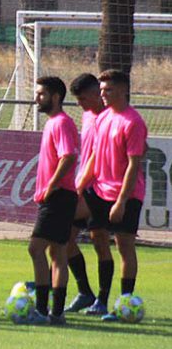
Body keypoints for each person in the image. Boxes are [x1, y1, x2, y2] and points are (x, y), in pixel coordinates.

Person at [77, 69, 147, 322]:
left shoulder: (133, 122)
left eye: (108, 90)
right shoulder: (104, 117)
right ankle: (100, 300)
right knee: (97, 240)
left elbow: (133, 165)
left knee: (124, 246)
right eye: (101, 90)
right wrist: (80, 184)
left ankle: (125, 302)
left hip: (126, 194)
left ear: (123, 90)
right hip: (99, 190)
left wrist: (121, 202)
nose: (103, 95)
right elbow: (95, 155)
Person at [25, 76, 79, 325]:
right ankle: (56, 314)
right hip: (59, 196)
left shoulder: (62, 123)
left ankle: (42, 310)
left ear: (56, 97)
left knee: (36, 248)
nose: (37, 98)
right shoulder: (53, 123)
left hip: (58, 196)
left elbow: (68, 157)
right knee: (57, 252)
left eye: (41, 94)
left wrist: (51, 185)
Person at [64, 73, 106, 313]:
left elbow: (97, 157)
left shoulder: (108, 117)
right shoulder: (88, 115)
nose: (79, 104)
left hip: (98, 188)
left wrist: (79, 185)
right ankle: (85, 293)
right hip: (83, 184)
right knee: (64, 238)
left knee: (100, 241)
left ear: (94, 94)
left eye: (81, 98)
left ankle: (103, 297)